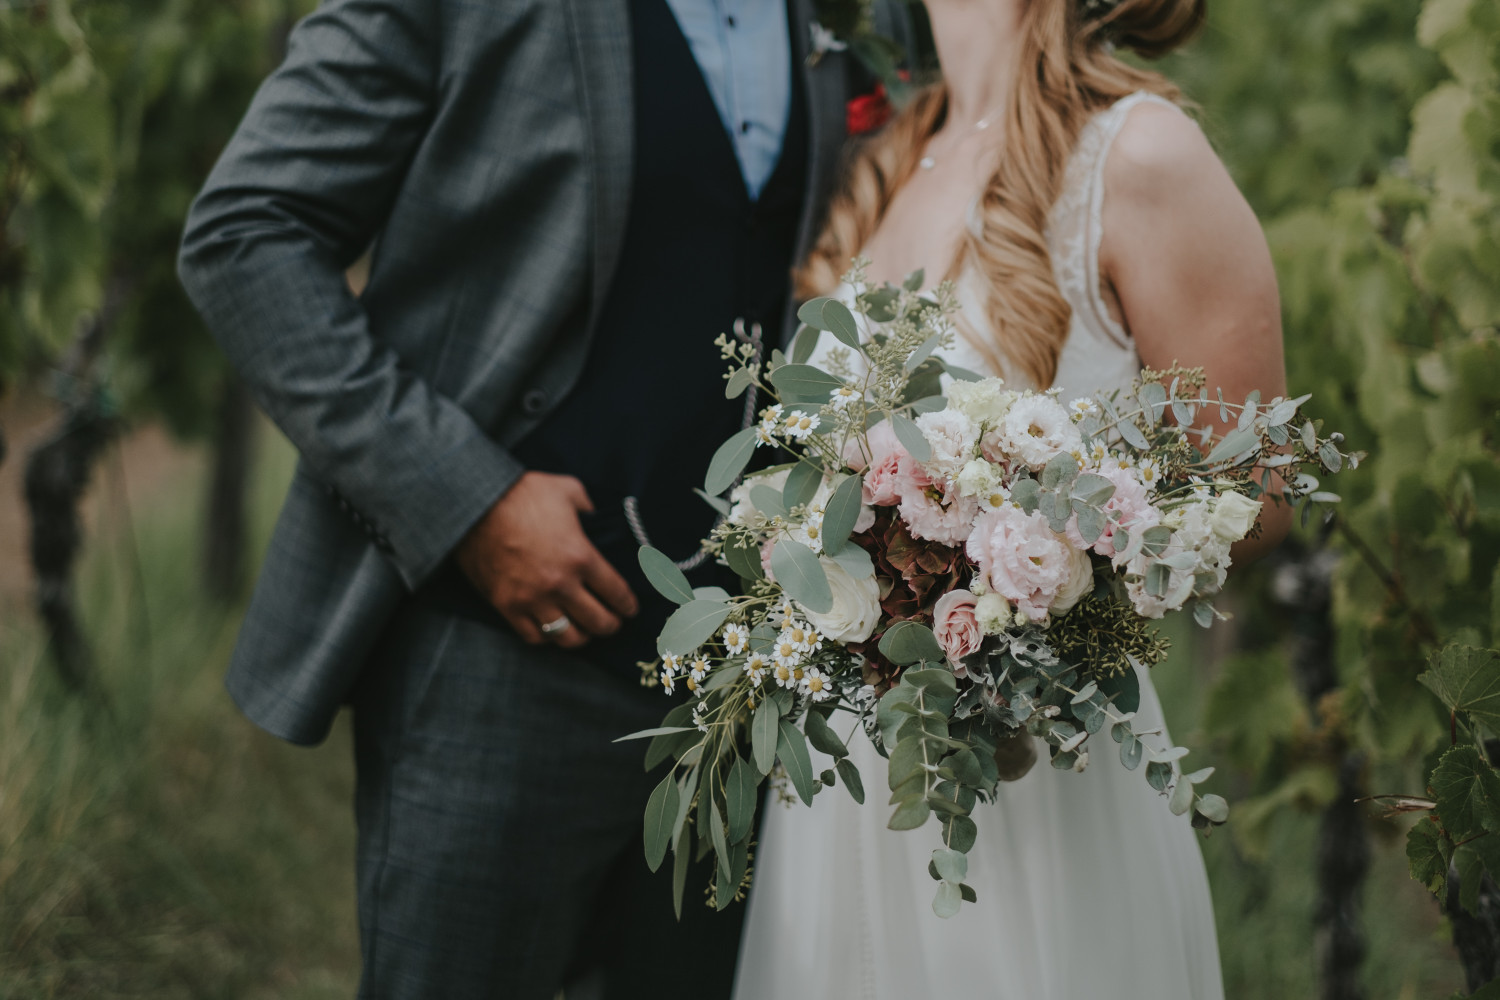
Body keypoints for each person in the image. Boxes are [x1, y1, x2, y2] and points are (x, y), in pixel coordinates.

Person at [176, 1, 906, 996]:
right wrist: (468, 500)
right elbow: (246, 232)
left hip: (747, 696)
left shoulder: (830, 15)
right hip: (496, 663)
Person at [733, 0, 1287, 997]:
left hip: (1035, 780)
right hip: (851, 790)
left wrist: (1033, 564)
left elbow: (1257, 492)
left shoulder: (1142, 156)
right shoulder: (899, 153)